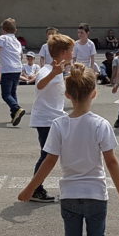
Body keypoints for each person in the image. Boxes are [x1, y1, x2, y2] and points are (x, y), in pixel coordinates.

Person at [16, 64, 119, 236]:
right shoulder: (100, 124)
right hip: (96, 194)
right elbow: (111, 161)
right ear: (94, 93)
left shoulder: (59, 125)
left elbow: (48, 162)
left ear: (67, 95)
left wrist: (29, 189)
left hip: (69, 194)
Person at [28, 34, 78, 204]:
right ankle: (35, 189)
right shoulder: (47, 70)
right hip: (45, 120)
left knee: (53, 154)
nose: (73, 53)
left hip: (56, 118)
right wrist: (54, 74)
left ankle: (40, 187)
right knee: (47, 155)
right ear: (63, 53)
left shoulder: (58, 70)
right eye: (71, 50)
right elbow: (40, 84)